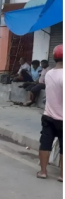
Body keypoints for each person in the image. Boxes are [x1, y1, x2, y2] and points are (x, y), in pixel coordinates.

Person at [37, 45, 62, 181]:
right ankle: (62, 175)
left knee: (45, 144)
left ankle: (43, 171)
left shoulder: (49, 74)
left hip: (48, 116)